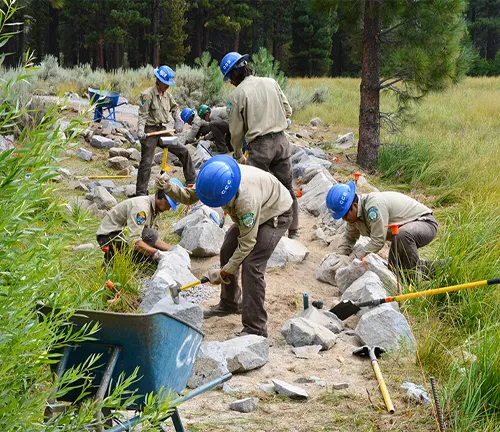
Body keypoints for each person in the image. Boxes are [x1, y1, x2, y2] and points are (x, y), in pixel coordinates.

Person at [156, 156, 293, 337]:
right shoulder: (213, 179)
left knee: (252, 266)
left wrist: (225, 272)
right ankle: (230, 303)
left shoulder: (245, 201)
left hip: (276, 213)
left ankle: (256, 327)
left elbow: (247, 243)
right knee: (227, 248)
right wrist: (168, 188)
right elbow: (189, 196)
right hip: (260, 203)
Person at [220, 51, 299, 240]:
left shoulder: (236, 95)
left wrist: (238, 153)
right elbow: (287, 110)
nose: (230, 82)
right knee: (287, 187)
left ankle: (254, 233)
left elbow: (236, 131)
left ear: (233, 75)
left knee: (254, 191)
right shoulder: (270, 82)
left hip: (260, 147)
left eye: (230, 78)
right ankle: (294, 232)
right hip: (281, 141)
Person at [326, 181, 440, 276]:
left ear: (354, 206)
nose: (344, 219)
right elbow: (349, 238)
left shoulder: (373, 207)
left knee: (403, 236)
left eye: (345, 215)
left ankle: (415, 282)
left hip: (424, 223)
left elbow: (378, 241)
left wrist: (351, 260)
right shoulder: (353, 216)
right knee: (394, 271)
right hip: (401, 235)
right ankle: (442, 267)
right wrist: (341, 256)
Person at [135, 65, 196, 196]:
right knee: (146, 162)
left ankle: (191, 181)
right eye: (166, 83)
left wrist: (178, 120)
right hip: (149, 132)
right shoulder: (146, 95)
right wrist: (140, 131)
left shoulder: (168, 95)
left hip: (162, 130)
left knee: (183, 151)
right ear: (158, 80)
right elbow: (142, 115)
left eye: (169, 84)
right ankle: (140, 192)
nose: (168, 86)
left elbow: (175, 108)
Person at [97, 179, 184, 264]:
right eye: (168, 204)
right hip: (109, 237)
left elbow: (153, 240)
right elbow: (133, 240)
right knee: (150, 239)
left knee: (151, 238)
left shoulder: (155, 209)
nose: (168, 209)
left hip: (123, 234)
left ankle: (130, 261)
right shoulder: (141, 208)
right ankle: (114, 261)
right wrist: (157, 254)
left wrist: (173, 249)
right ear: (159, 195)